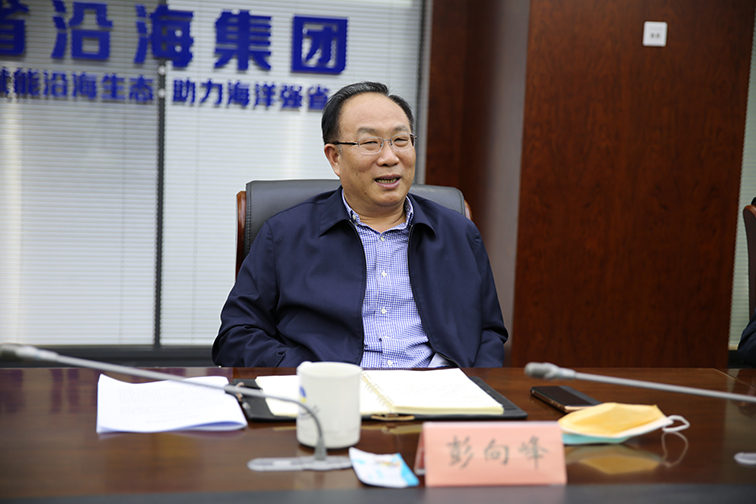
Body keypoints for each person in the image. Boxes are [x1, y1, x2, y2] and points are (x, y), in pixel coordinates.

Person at [212, 81, 507, 368]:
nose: (390, 157)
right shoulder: (284, 235)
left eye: (400, 140)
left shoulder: (459, 233)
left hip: (439, 391)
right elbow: (236, 337)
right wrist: (309, 373)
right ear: (335, 158)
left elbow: (488, 332)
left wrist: (472, 383)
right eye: (370, 143)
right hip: (331, 391)